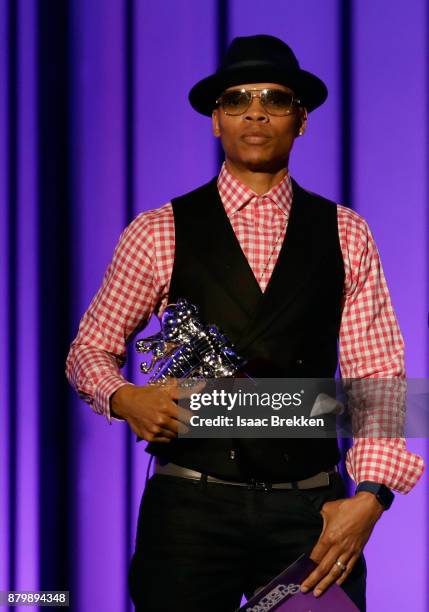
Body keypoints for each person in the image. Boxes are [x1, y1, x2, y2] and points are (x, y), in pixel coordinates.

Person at [66, 35, 424, 612]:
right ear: (216, 120)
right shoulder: (158, 231)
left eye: (275, 98)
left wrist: (373, 497)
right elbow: (91, 348)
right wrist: (124, 396)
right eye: (237, 99)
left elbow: (377, 374)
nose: (255, 111)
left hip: (311, 514)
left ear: (301, 119)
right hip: (188, 509)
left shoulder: (345, 232)